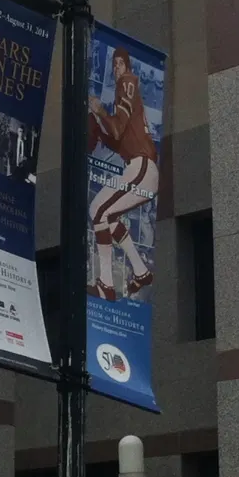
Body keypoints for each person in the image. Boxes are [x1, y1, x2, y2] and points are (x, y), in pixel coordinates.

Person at [87, 47, 158, 300]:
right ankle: (141, 272)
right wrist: (99, 124)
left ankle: (106, 286)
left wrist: (99, 111)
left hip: (142, 166)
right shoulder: (124, 94)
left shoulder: (127, 83)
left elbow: (116, 130)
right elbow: (118, 140)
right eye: (114, 64)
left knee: (97, 209)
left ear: (127, 67)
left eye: (120, 64)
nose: (117, 68)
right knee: (108, 217)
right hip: (140, 168)